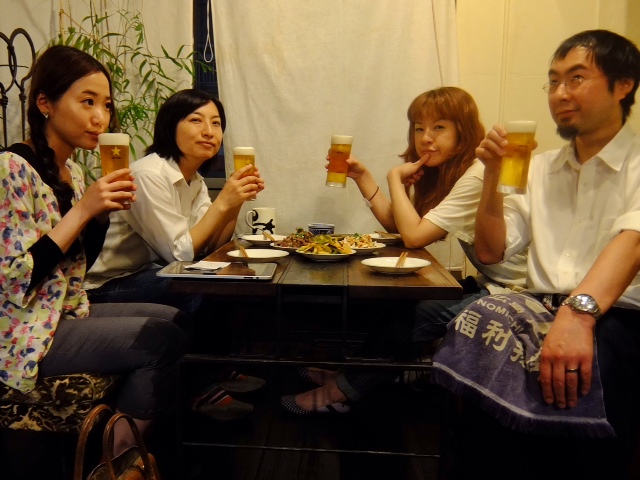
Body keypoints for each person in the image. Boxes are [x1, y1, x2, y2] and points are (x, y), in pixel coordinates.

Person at [430, 30, 640, 479]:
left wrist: (577, 316)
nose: (560, 94)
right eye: (554, 81)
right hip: (537, 307)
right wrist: (491, 177)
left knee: (589, 393)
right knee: (477, 343)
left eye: (577, 78)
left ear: (623, 85)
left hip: (616, 316)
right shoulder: (539, 168)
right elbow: (491, 250)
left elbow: (633, 239)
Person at [280, 86, 528, 414]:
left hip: (520, 292)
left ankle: (339, 393)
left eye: (439, 127)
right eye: (419, 128)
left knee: (420, 314)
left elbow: (413, 237)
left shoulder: (476, 175)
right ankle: (347, 377)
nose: (426, 138)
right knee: (403, 304)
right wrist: (363, 178)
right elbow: (400, 226)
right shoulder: (452, 174)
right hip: (494, 285)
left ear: (463, 133)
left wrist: (394, 179)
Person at [0, 45, 189, 457]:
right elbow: (16, 279)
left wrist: (100, 216)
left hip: (62, 310)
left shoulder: (74, 171)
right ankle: (120, 458)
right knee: (160, 339)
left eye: (106, 104)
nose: (101, 117)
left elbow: (77, 266)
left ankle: (131, 440)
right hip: (21, 328)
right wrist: (84, 210)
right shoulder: (11, 168)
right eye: (87, 102)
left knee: (173, 316)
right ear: (45, 103)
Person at [84, 88, 266, 420]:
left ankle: (218, 368)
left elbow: (210, 247)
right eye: (196, 120)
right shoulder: (148, 174)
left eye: (216, 123)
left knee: (230, 279)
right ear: (170, 126)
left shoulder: (194, 180)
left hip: (145, 273)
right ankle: (200, 389)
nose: (209, 131)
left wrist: (235, 202)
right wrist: (223, 201)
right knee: (194, 287)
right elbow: (180, 254)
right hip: (106, 285)